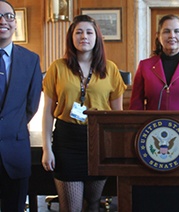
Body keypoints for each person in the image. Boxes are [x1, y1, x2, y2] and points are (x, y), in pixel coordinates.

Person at [41, 15, 126, 211]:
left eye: (89, 32)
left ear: (97, 37)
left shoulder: (110, 69)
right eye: (78, 32)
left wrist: (116, 148)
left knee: (94, 203)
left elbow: (117, 115)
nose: (83, 36)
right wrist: (47, 148)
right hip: (67, 141)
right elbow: (47, 112)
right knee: (71, 207)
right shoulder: (58, 67)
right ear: (71, 37)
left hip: (100, 142)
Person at [0, 0, 42, 211]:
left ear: (15, 23)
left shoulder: (30, 60)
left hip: (15, 151)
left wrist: (10, 126)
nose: (3, 21)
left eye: (8, 16)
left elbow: (31, 105)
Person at [129, 14, 179, 110]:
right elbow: (135, 109)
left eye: (177, 31)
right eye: (166, 31)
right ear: (159, 36)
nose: (172, 35)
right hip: (154, 124)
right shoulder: (145, 66)